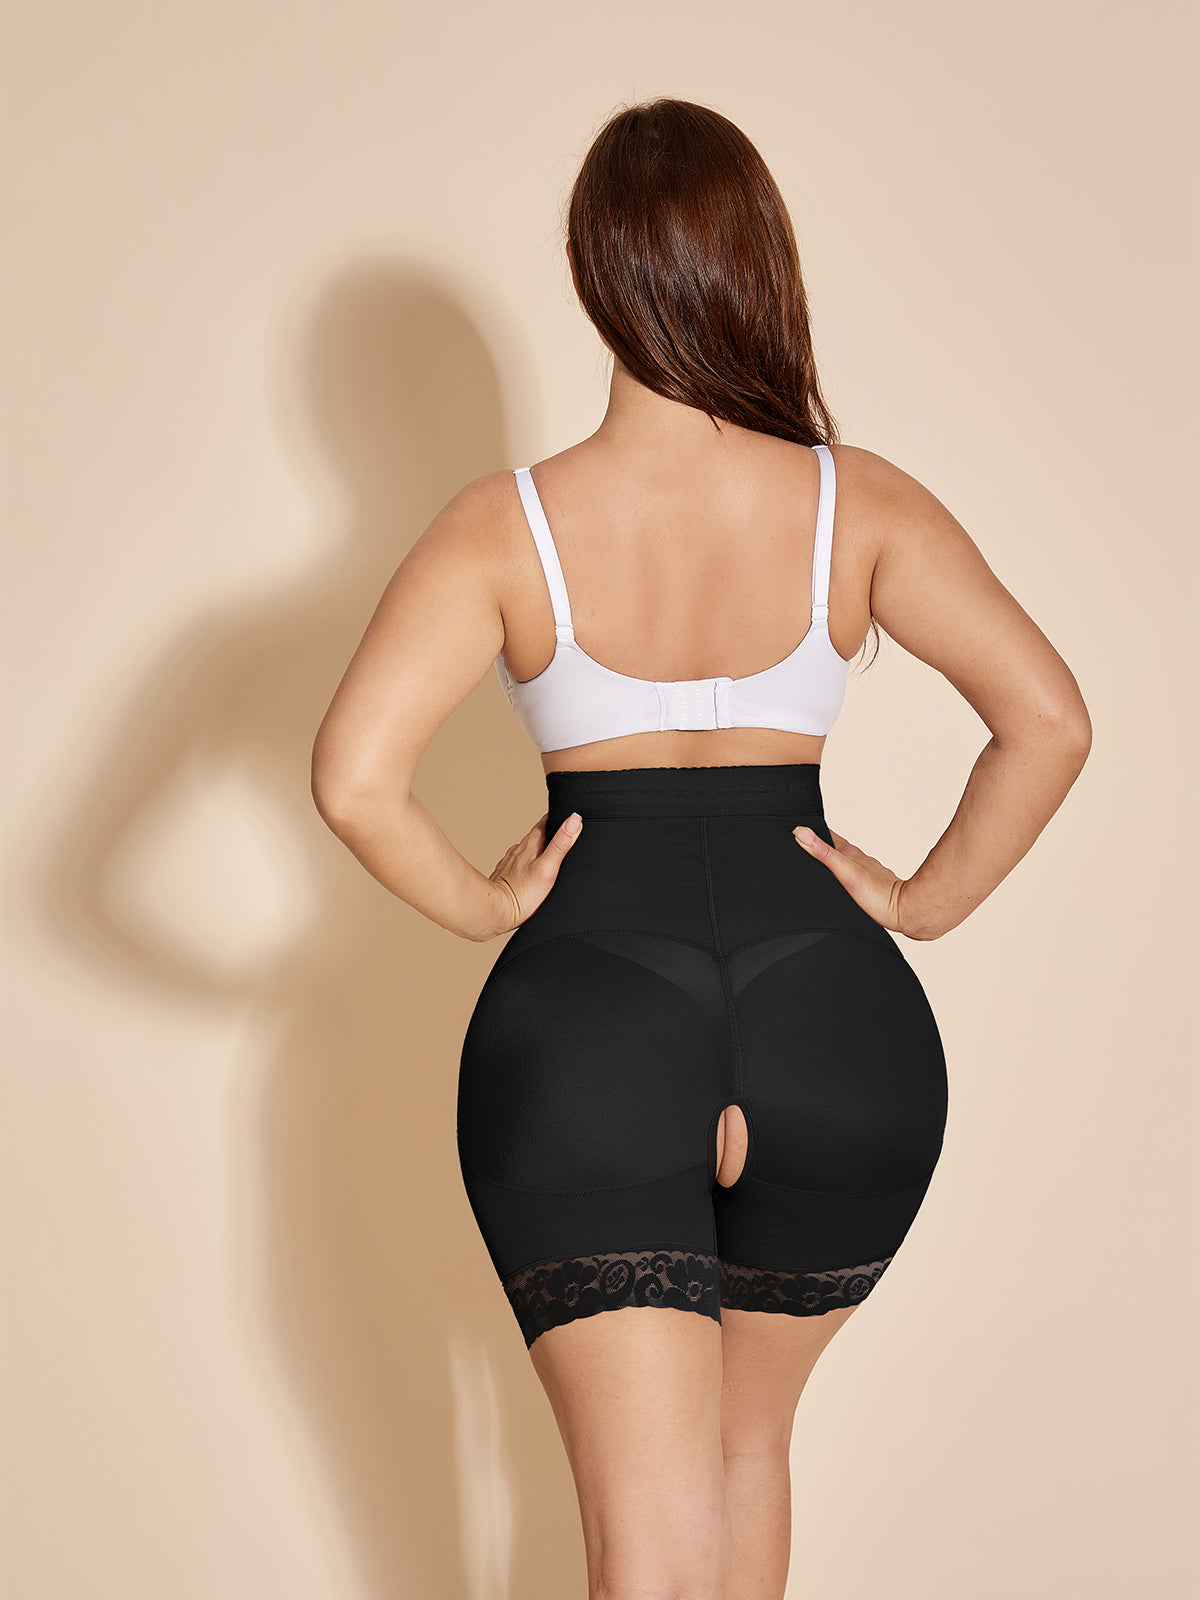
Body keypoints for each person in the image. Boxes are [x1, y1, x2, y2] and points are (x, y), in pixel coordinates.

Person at [311, 96, 1091, 1600]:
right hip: (837, 1025)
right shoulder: (855, 502)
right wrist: (922, 900)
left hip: (590, 1022)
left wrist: (481, 905)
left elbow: (354, 781)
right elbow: (1049, 721)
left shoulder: (506, 525)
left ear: (593, 273)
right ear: (758, 263)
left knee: (646, 1555)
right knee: (746, 1457)